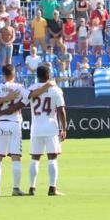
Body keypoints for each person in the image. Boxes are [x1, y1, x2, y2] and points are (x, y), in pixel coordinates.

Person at [26, 63, 68, 196]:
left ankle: (32, 188)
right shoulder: (56, 90)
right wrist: (64, 128)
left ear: (37, 75)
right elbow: (61, 110)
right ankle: (52, 188)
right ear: (49, 75)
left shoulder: (32, 89)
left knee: (35, 158)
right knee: (52, 157)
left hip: (36, 127)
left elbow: (27, 98)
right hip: (50, 127)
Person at [0, 63, 29, 195]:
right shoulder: (19, 88)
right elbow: (27, 99)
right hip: (14, 123)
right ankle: (16, 188)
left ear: (3, 75)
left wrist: (1, 108)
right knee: (16, 157)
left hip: (0, 123)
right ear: (14, 75)